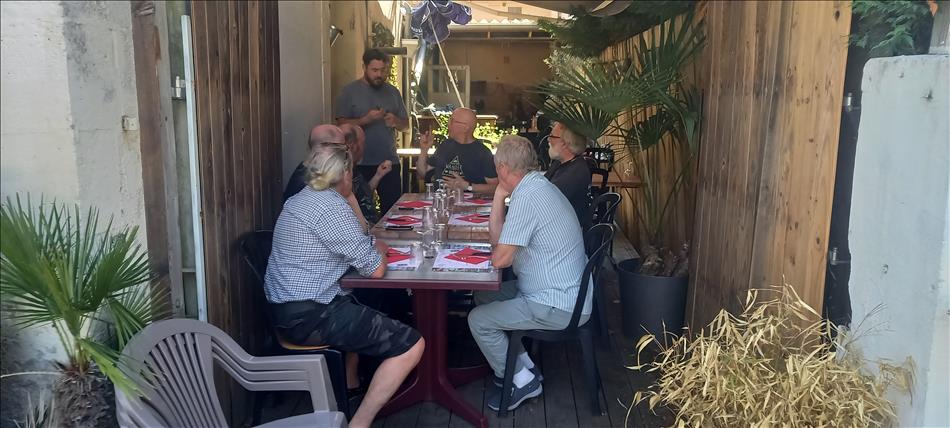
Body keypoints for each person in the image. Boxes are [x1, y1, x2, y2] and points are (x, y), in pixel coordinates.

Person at [265, 144, 424, 428]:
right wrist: (381, 250)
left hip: (288, 309)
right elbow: (375, 269)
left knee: (364, 302)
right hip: (311, 316)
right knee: (412, 344)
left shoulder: (303, 198)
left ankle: (351, 383)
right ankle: (359, 423)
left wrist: (350, 199)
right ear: (346, 173)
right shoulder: (329, 208)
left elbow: (359, 233)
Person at [467, 135, 590, 411]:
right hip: (560, 290)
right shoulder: (534, 186)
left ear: (502, 168)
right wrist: (499, 194)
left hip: (558, 303)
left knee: (478, 321)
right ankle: (524, 368)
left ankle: (521, 381)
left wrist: (501, 194)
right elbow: (500, 244)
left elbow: (499, 259)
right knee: (483, 297)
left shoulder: (528, 199)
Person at [336, 49, 408, 215]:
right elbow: (340, 126)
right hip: (358, 163)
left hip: (388, 162)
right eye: (374, 70)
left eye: (383, 71)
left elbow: (406, 126)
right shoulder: (349, 92)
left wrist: (395, 121)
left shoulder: (393, 92)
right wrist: (365, 120)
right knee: (358, 209)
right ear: (364, 67)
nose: (379, 75)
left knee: (393, 211)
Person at [416, 108, 499, 193]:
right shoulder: (445, 145)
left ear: (466, 127)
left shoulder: (483, 153)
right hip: (441, 202)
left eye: (452, 121)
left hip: (467, 204)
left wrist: (468, 186)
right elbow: (423, 173)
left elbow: (495, 187)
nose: (448, 124)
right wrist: (424, 150)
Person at [340, 123, 392, 225]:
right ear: (353, 145)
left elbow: (363, 194)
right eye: (362, 143)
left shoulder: (352, 167)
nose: (364, 148)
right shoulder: (338, 170)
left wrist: (378, 175)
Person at [544, 122, 592, 230]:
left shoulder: (575, 172)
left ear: (565, 143)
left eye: (552, 136)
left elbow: (546, 200)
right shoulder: (560, 163)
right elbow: (543, 183)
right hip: (557, 224)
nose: (548, 140)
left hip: (566, 233)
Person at [283, 124, 345, 202]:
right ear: (327, 146)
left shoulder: (306, 170)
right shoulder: (309, 182)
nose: (345, 154)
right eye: (341, 148)